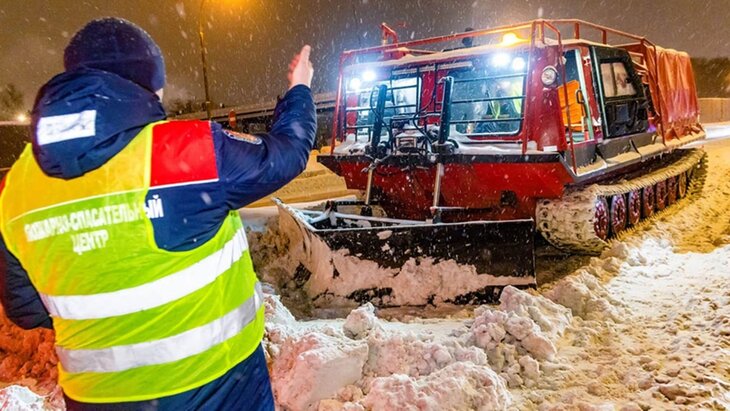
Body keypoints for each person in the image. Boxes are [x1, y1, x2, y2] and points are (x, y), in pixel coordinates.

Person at [0, 17, 316, 410]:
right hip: (220, 386)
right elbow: (286, 153)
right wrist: (300, 88)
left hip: (97, 398)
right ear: (143, 83)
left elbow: (25, 309)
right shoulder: (186, 152)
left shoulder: (16, 187)